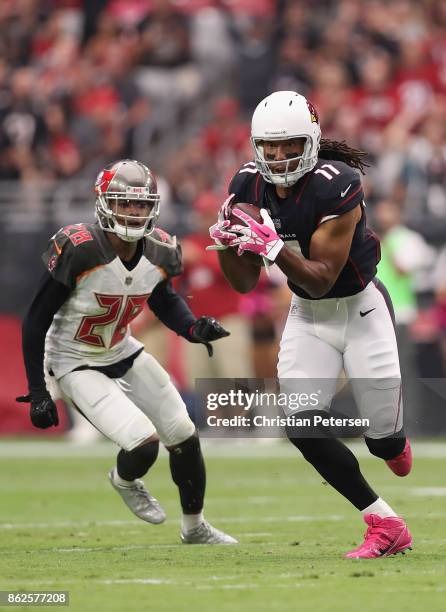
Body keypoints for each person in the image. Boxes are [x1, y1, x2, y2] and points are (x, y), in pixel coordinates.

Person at [209, 91, 413, 559]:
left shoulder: (336, 184)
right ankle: (384, 522)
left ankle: (392, 441)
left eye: (290, 145)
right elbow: (243, 284)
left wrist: (273, 249)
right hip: (308, 317)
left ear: (312, 141)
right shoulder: (245, 184)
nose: (279, 157)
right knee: (300, 424)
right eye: (270, 147)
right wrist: (228, 244)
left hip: (361, 311)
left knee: (384, 444)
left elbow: (323, 279)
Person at [18, 159, 237, 545]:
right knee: (142, 442)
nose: (134, 212)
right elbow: (35, 321)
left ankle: (194, 527)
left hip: (121, 348)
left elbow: (164, 300)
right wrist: (38, 390)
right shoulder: (79, 248)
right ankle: (124, 479)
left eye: (141, 204)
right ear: (105, 203)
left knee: (184, 433)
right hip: (74, 358)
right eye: (124, 203)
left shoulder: (162, 249)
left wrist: (191, 327)